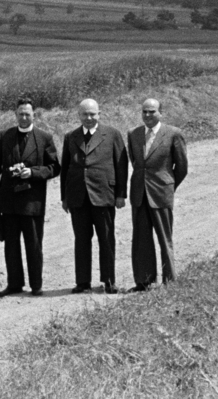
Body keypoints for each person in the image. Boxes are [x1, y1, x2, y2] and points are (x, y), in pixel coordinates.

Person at [0, 96, 60, 296]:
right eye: (20, 114)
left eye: (27, 114)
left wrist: (33, 173)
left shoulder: (44, 138)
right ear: (15, 114)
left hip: (32, 200)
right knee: (11, 244)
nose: (24, 118)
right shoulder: (5, 136)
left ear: (34, 115)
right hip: (8, 201)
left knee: (34, 243)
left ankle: (36, 285)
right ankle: (14, 284)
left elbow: (54, 167)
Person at [58, 97, 127, 294]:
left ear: (99, 114)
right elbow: (66, 168)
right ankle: (82, 282)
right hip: (78, 197)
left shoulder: (112, 134)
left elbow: (121, 165)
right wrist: (65, 197)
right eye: (84, 114)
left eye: (92, 114)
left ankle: (109, 281)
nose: (88, 118)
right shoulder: (71, 136)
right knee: (81, 239)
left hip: (103, 194)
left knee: (106, 238)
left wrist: (120, 194)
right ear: (78, 115)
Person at [127, 98, 188, 292]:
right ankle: (144, 281)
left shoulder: (173, 134)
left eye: (152, 111)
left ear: (161, 112)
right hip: (139, 194)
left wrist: (168, 186)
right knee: (141, 239)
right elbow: (136, 163)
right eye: (144, 111)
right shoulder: (133, 134)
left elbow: (182, 167)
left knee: (164, 238)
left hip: (161, 194)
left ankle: (169, 281)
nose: (147, 115)